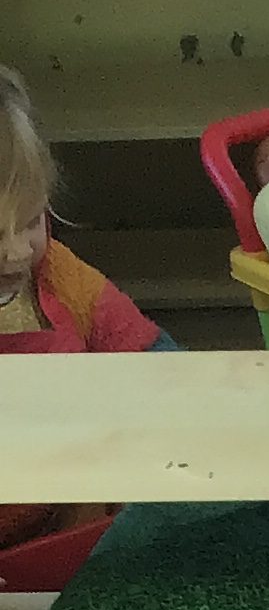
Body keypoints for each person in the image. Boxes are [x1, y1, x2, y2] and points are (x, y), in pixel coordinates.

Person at [0, 65, 173, 581]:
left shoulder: (57, 275)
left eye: (30, 220)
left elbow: (156, 363)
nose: (17, 252)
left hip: (67, 535)